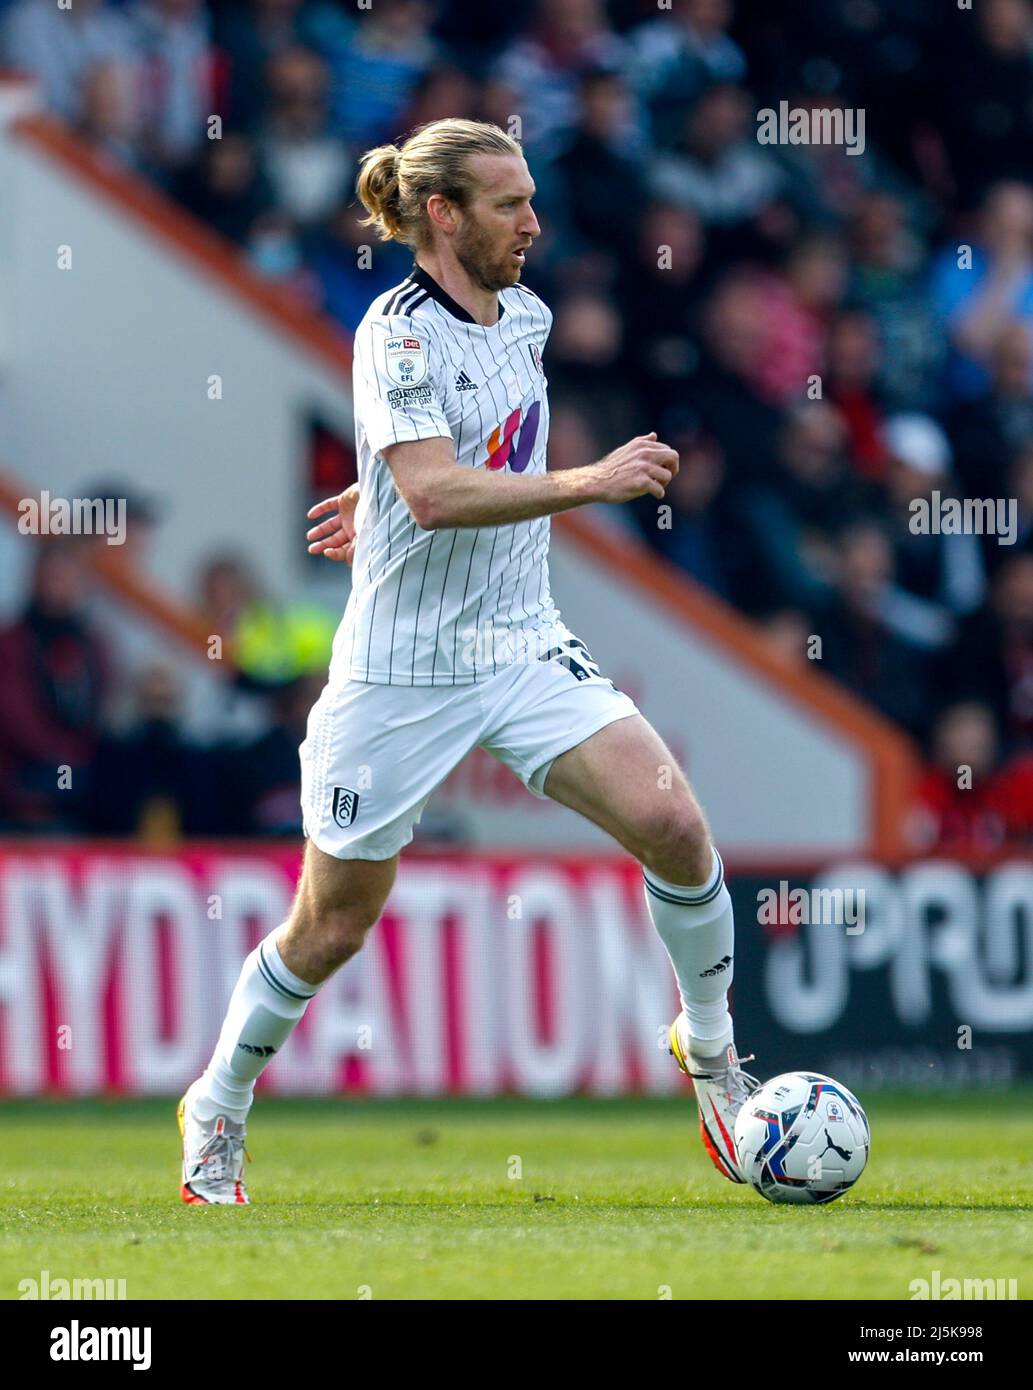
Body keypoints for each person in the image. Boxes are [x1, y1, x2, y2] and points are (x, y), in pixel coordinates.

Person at [176, 118, 758, 1204]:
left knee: (674, 824)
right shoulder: (394, 334)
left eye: (532, 199)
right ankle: (217, 1101)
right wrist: (585, 480)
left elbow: (460, 450)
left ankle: (712, 1051)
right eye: (509, 206)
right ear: (443, 214)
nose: (534, 224)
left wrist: (375, 477)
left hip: (520, 640)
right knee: (331, 924)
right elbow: (437, 493)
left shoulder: (525, 313)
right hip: (399, 671)